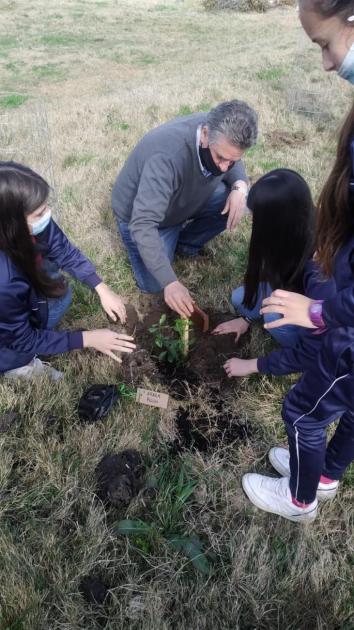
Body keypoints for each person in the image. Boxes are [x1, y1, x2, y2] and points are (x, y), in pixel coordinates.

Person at [242, 0, 354, 523]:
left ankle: (300, 499)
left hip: (343, 335)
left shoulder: (318, 277)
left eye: (323, 44)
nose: (327, 63)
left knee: (302, 410)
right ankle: (326, 475)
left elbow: (310, 355)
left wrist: (313, 315)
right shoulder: (318, 251)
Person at [112, 100, 258, 318]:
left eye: (233, 161)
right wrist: (170, 282)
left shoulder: (221, 134)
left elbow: (231, 161)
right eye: (220, 158)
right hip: (144, 218)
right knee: (156, 285)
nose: (225, 168)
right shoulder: (166, 158)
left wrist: (240, 185)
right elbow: (142, 224)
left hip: (181, 200)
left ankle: (185, 244)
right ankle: (171, 239)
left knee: (239, 199)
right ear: (205, 135)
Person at [0, 162, 136, 381]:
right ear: (12, 222)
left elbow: (62, 248)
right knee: (16, 345)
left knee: (61, 294)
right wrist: (86, 339)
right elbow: (20, 338)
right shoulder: (4, 281)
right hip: (6, 338)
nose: (48, 214)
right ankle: (17, 365)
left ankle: (37, 321)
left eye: (46, 206)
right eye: (40, 213)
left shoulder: (22, 225)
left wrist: (101, 288)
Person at [211, 169, 336, 378]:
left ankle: (299, 354)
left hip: (324, 331)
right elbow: (274, 277)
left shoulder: (320, 270)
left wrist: (253, 365)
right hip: (296, 289)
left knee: (272, 313)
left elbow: (317, 346)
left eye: (255, 217)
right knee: (240, 298)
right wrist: (247, 319)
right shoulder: (296, 231)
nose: (250, 221)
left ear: (277, 223)